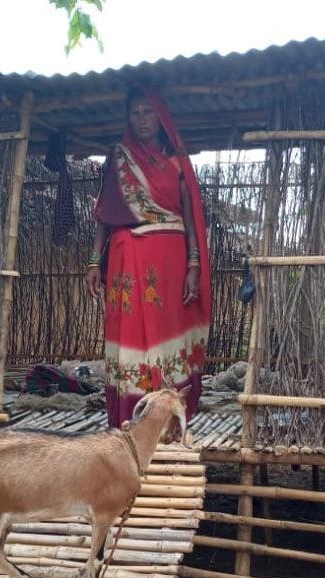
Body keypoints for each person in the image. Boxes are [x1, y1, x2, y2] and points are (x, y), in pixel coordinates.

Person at [85, 86, 212, 427]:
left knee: (166, 337)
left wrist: (194, 265)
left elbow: (190, 217)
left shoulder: (176, 160)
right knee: (130, 337)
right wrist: (95, 261)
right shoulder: (119, 158)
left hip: (169, 263)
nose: (142, 120)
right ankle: (130, 419)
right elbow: (104, 213)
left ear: (160, 115)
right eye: (135, 113)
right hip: (127, 260)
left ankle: (167, 416)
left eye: (148, 112)